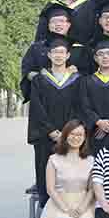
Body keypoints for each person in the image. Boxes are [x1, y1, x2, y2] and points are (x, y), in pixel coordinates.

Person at [27, 34, 82, 207]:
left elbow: (79, 106)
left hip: (70, 136)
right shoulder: (39, 80)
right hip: (45, 137)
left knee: (70, 174)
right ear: (49, 55)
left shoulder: (77, 80)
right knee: (45, 173)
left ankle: (71, 208)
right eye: (55, 52)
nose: (58, 55)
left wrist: (66, 132)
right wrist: (51, 131)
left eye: (62, 52)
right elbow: (37, 108)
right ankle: (46, 210)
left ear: (68, 55)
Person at [21, 5, 82, 102]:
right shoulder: (36, 48)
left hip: (73, 99)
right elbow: (27, 72)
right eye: (54, 21)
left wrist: (77, 73)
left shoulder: (80, 49)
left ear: (68, 24)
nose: (58, 24)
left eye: (62, 21)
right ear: (48, 25)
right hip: (44, 98)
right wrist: (41, 77)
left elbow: (89, 73)